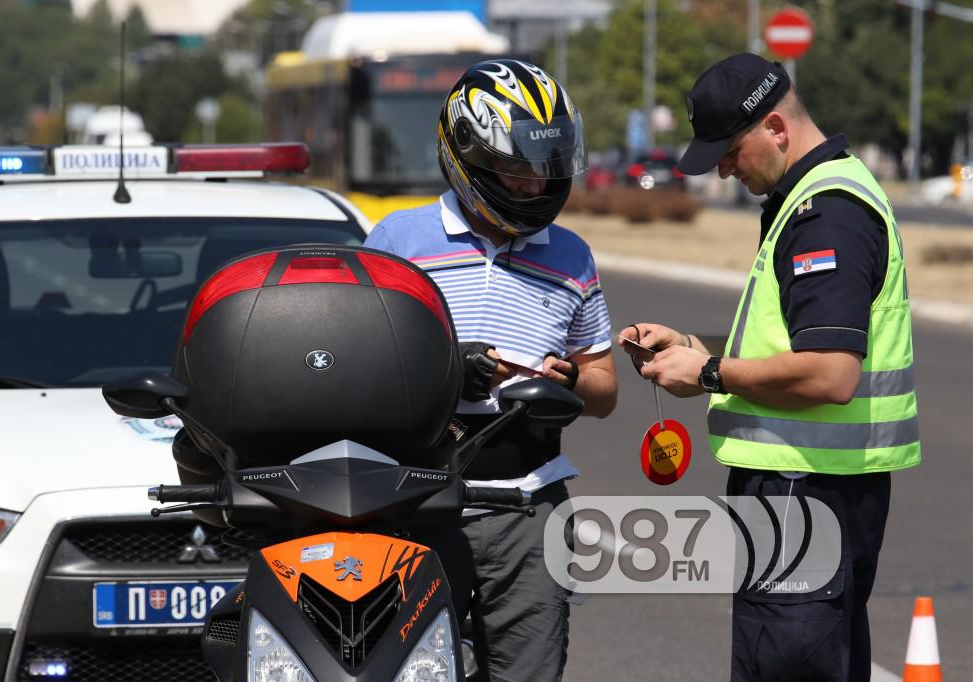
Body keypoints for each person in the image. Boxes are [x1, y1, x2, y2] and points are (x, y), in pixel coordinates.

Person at [619, 53, 920, 682]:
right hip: (818, 490)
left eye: (729, 152)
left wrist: (708, 376)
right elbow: (791, 339)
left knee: (781, 665)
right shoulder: (819, 195)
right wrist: (695, 348)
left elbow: (829, 372)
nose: (725, 169)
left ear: (776, 129)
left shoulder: (824, 214)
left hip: (800, 491)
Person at [364, 58, 618, 681]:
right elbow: (358, 369)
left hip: (530, 510)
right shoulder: (398, 241)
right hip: (417, 504)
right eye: (517, 169)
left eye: (547, 167)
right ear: (466, 160)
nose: (536, 184)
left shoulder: (573, 255)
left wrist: (569, 384)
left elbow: (605, 388)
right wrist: (446, 370)